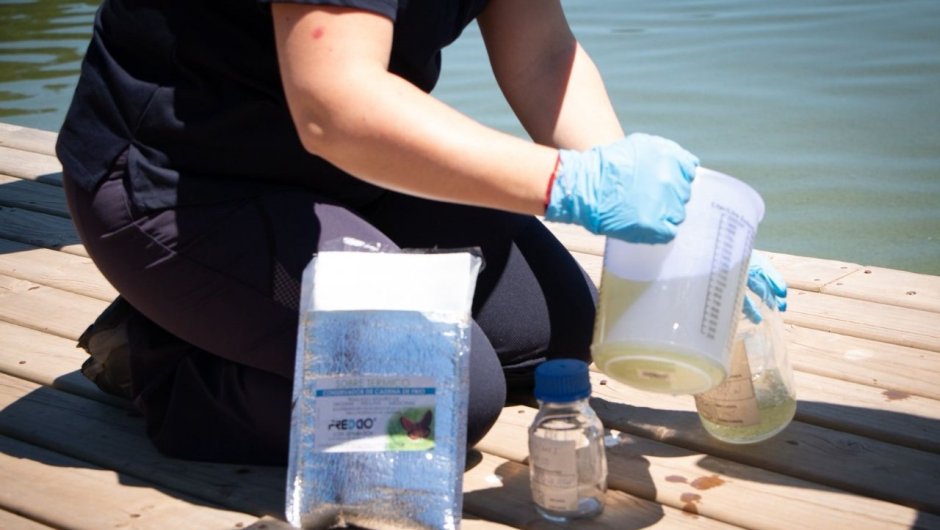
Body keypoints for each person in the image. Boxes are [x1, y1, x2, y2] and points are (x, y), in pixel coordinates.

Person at [57, 0, 785, 465]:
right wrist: (569, 185)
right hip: (184, 186)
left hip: (352, 174)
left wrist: (658, 218)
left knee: (563, 332)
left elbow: (542, 54)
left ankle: (244, 307)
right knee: (440, 401)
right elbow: (334, 108)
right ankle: (162, 357)